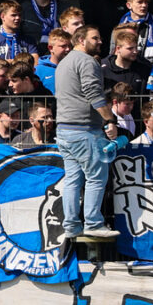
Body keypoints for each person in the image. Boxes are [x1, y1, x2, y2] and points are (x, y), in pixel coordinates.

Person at [55, 25, 122, 241]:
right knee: (96, 178)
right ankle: (93, 222)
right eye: (96, 38)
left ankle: (72, 225)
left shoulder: (63, 62)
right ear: (81, 40)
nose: (100, 42)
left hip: (64, 129)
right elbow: (93, 93)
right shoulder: (87, 62)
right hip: (84, 130)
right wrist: (109, 118)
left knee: (73, 179)